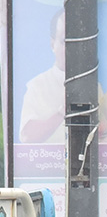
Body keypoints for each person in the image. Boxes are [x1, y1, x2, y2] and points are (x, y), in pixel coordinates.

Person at [18, 10, 67, 145]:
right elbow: (27, 136)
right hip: (46, 163)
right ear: (53, 44)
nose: (71, 47)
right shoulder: (37, 86)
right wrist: (61, 112)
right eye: (65, 41)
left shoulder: (93, 84)